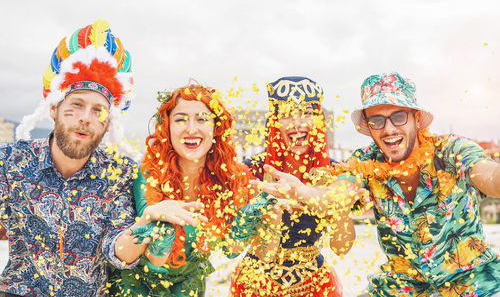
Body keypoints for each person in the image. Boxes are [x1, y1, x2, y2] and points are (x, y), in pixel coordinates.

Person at [0, 19, 201, 296]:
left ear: (108, 123)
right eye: (77, 105)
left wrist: (146, 224)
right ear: (54, 110)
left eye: (98, 110)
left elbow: (118, 251)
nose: (85, 118)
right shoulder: (10, 161)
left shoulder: (120, 173)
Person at [260, 73, 500, 296]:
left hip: (476, 282)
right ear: (369, 127)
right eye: (377, 120)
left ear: (416, 119)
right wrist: (302, 191)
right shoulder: (364, 161)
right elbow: (336, 195)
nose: (389, 129)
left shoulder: (452, 150)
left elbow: (490, 178)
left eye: (398, 117)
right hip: (401, 287)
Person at [110, 83, 273, 296]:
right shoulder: (149, 174)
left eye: (202, 119)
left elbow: (231, 250)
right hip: (135, 286)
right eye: (180, 119)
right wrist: (161, 228)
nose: (191, 129)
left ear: (216, 128)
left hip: (190, 286)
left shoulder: (230, 179)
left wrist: (250, 219)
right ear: (166, 127)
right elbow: (156, 258)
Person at [231, 76, 355, 297]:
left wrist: (339, 207)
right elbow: (232, 247)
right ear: (274, 122)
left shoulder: (335, 173)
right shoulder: (253, 171)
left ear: (318, 120)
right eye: (287, 114)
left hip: (315, 283)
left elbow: (342, 248)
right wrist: (269, 213)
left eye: (306, 113)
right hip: (256, 284)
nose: (297, 123)